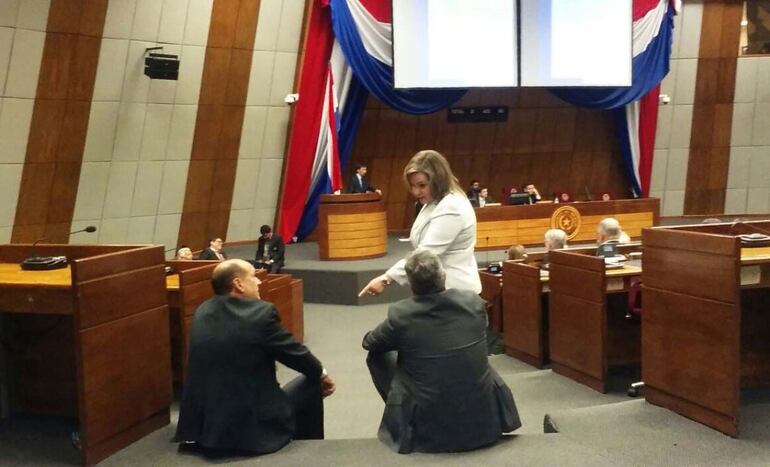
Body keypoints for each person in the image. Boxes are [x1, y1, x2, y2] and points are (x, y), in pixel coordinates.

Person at [363, 251, 521, 453]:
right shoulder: (473, 302)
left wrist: (404, 340)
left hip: (427, 432)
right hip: (485, 425)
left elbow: (370, 343)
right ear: (444, 275)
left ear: (411, 285)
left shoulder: (401, 315)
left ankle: (402, 418)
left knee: (380, 354)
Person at [174, 259, 336, 456]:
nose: (259, 282)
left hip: (205, 429)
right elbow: (296, 355)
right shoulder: (261, 313)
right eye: (253, 276)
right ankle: (310, 455)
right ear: (238, 284)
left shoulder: (202, 311)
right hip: (248, 429)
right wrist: (322, 374)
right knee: (313, 380)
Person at [359, 150, 481, 296]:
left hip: (455, 293)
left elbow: (425, 254)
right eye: (413, 186)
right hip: (438, 292)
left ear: (438, 180)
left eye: (422, 185)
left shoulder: (451, 207)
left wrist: (387, 278)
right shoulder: (433, 201)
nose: (416, 192)